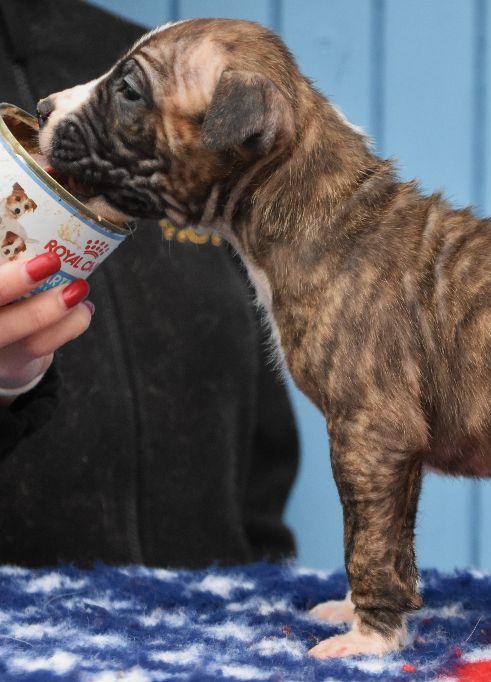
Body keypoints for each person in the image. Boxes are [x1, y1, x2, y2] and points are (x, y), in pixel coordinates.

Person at [0, 0, 299, 567]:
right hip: (27, 616)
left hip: (212, 609)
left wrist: (265, 577)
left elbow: (260, 428)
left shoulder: (177, 72)